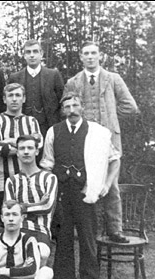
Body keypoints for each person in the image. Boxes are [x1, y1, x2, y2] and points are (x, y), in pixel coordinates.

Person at [40, 92, 120, 279]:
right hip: (62, 194)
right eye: (67, 106)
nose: (72, 110)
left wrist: (106, 184)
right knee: (63, 239)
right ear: (63, 110)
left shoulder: (98, 133)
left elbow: (115, 159)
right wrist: (52, 189)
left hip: (87, 193)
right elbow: (47, 164)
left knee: (88, 240)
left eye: (75, 105)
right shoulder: (53, 132)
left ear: (82, 107)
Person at [64, 41, 138, 244]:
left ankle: (115, 230)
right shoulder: (73, 82)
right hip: (83, 138)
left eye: (93, 53)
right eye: (86, 53)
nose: (90, 57)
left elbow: (131, 107)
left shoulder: (113, 79)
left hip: (107, 138)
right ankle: (87, 230)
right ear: (80, 56)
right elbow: (66, 108)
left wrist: (110, 118)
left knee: (110, 184)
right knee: (84, 181)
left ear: (100, 56)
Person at [4, 134, 57, 267]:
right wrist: (38, 204)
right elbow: (10, 210)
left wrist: (20, 207)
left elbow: (47, 207)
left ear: (37, 151)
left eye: (30, 148)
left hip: (40, 230)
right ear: (17, 153)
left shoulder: (49, 178)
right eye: (22, 148)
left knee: (42, 252)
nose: (26, 152)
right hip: (16, 229)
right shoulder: (12, 180)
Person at [0, 83, 43, 208]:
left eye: (18, 95)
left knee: (29, 212)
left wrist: (9, 141)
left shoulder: (31, 121)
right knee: (8, 215)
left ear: (23, 99)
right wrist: (26, 145)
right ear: (4, 99)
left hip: (30, 178)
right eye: (10, 95)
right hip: (5, 177)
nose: (14, 99)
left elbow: (38, 145)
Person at [7, 40, 64, 136]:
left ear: (41, 54)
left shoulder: (53, 75)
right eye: (28, 52)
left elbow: (61, 101)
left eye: (35, 51)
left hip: (48, 126)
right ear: (24, 55)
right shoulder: (15, 77)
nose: (32, 55)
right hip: (22, 127)